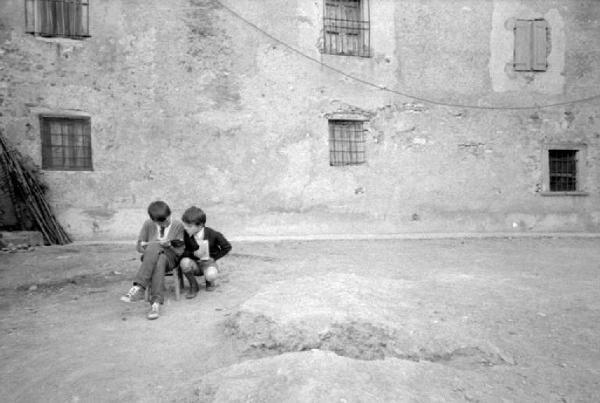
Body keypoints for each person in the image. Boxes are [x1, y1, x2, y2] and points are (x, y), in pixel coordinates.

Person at [120, 201, 185, 320]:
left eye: (167, 219)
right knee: (157, 254)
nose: (166, 223)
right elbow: (139, 247)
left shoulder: (177, 225)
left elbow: (180, 252)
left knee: (159, 252)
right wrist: (148, 248)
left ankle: (139, 287)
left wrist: (169, 245)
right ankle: (155, 304)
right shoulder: (148, 224)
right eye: (162, 222)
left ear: (170, 214)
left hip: (170, 259)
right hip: (151, 258)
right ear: (154, 221)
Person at [180, 206, 232, 299]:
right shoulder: (186, 234)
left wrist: (214, 258)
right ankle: (194, 286)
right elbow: (184, 251)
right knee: (184, 262)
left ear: (200, 225)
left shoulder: (213, 234)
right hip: (195, 263)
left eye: (189, 226)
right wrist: (194, 253)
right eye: (185, 225)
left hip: (208, 263)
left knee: (211, 274)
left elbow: (227, 247)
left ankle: (209, 281)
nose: (186, 228)